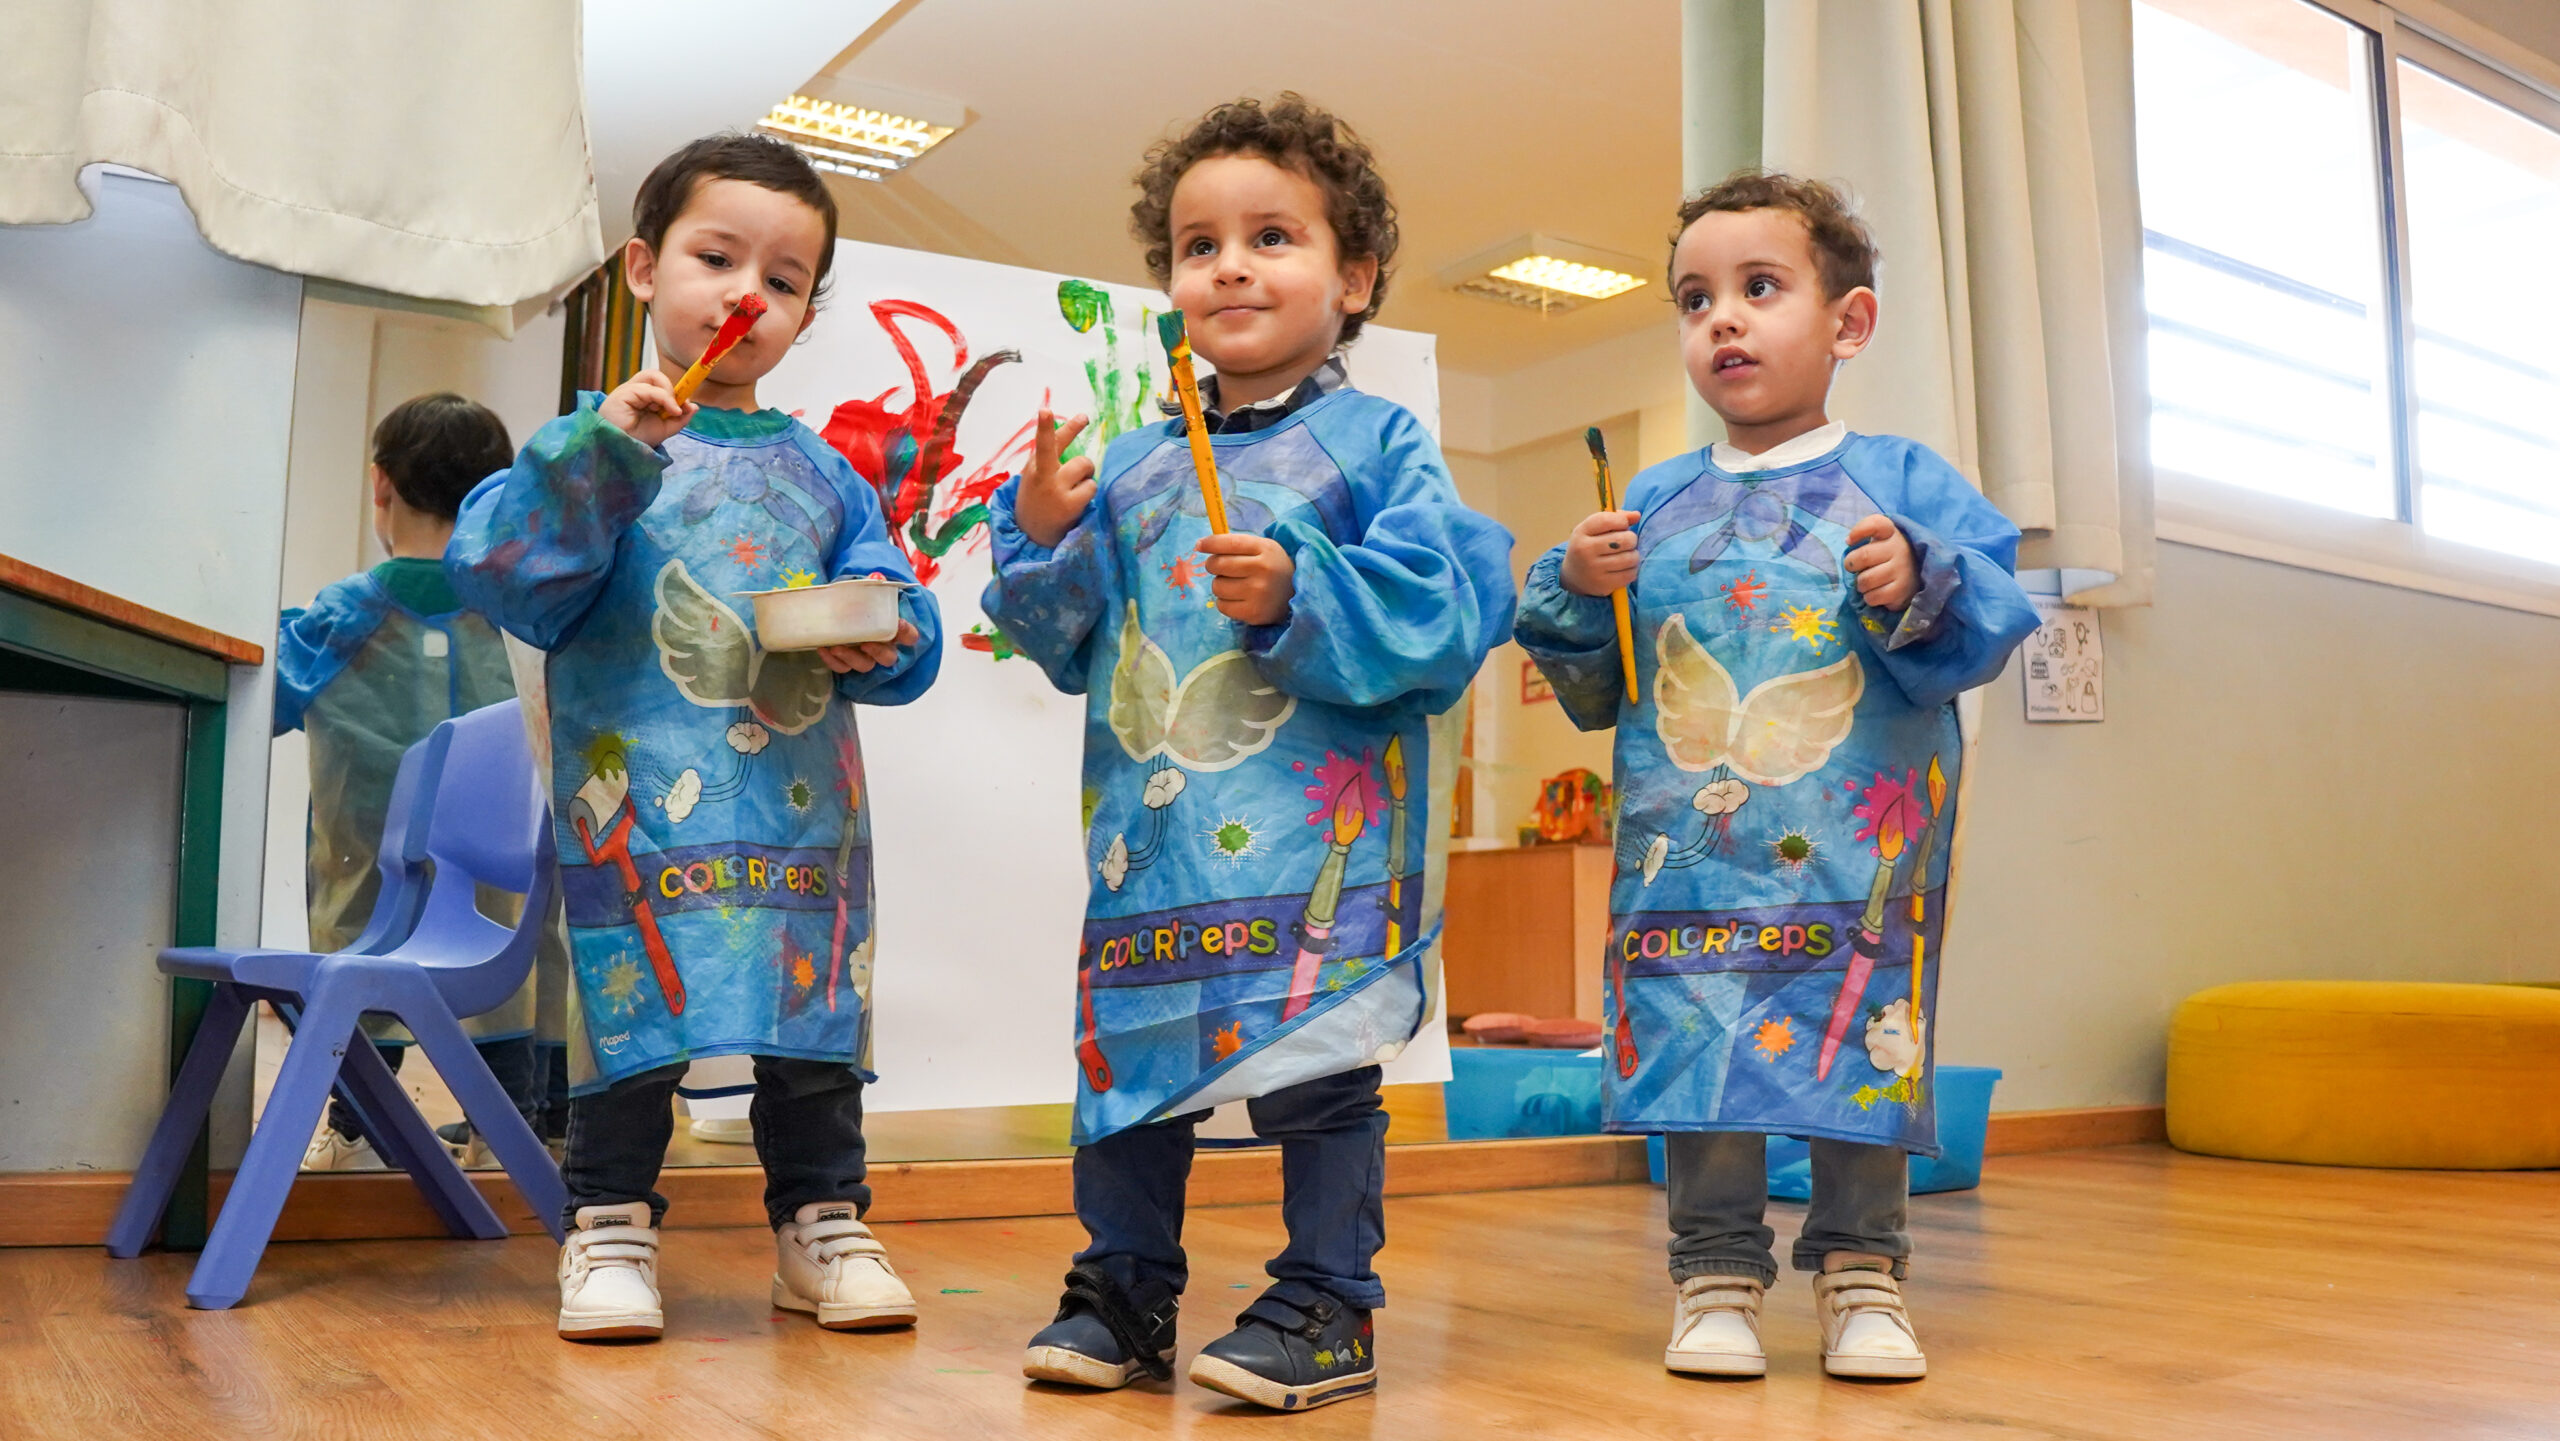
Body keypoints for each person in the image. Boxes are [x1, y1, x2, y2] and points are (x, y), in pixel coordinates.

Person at [984, 94, 1514, 1413]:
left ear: (1355, 277)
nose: (1227, 265)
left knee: (1320, 1079)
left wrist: (1298, 589)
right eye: (1196, 243)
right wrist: (1044, 531)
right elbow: (1060, 638)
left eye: (1271, 236)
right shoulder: (1135, 468)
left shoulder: (1377, 444)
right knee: (1127, 1081)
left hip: (1314, 846)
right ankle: (1122, 1288)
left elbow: (1452, 605)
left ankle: (1327, 1302)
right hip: (1153, 851)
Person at [1515, 172, 2039, 1381]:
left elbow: (1994, 603)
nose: (1724, 321)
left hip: (1857, 849)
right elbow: (1602, 678)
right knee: (1702, 1050)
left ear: (1848, 323)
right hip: (1687, 853)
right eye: (1695, 300)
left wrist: (1920, 576)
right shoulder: (1650, 495)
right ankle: (1713, 1273)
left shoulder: (1901, 478)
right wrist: (1579, 590)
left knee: (1857, 1038)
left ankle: (1863, 1272)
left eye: (1759, 288)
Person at [447, 132, 941, 1344]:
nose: (744, 295)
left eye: (782, 281)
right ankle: (609, 1222)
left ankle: (822, 1223)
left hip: (800, 806)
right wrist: (606, 450)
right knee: (633, 1014)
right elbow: (513, 577)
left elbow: (897, 609)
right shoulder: (589, 445)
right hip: (632, 797)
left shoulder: (829, 478)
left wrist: (886, 634)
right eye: (716, 258)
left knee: (812, 1028)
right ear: (641, 268)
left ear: (804, 315)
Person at [276, 392, 547, 1173]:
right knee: (504, 956)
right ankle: (510, 1123)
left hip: (368, 867)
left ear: (380, 484)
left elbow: (273, 700)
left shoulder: (341, 615)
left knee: (368, 957)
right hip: (499, 888)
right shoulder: (516, 618)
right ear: (494, 496)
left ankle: (357, 1127)